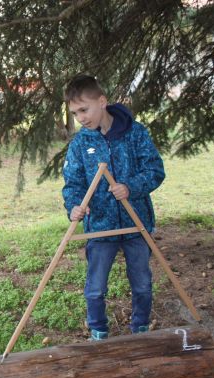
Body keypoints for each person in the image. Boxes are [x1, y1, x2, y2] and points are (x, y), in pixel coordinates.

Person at [61, 74, 165, 341]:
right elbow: (72, 183)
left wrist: (130, 187)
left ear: (102, 101)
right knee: (95, 286)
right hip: (100, 227)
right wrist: (74, 206)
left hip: (135, 222)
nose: (81, 118)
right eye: (74, 113)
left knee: (141, 282)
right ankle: (98, 330)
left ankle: (140, 328)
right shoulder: (81, 144)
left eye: (84, 109)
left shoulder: (136, 133)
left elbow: (155, 170)